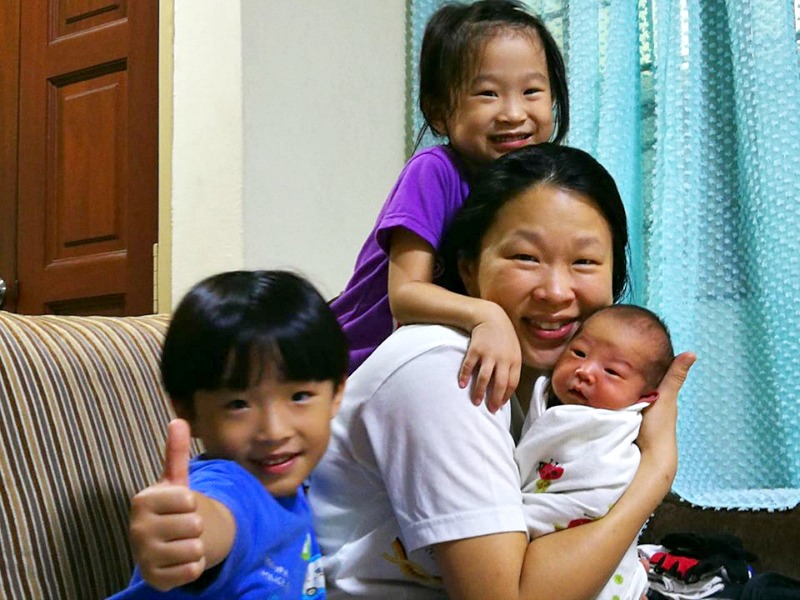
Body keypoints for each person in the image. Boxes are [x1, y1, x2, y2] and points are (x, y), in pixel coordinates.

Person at [309, 144, 696, 599]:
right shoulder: (445, 370)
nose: (556, 291)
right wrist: (657, 471)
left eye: (585, 262)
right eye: (526, 258)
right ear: (469, 270)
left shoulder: (541, 387)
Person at [331, 0, 569, 410]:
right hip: (349, 367)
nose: (513, 113)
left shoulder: (530, 188)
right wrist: (486, 315)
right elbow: (405, 295)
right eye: (487, 94)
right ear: (439, 111)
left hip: (423, 371)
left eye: (531, 91)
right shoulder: (434, 171)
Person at [109, 270, 348, 599]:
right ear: (188, 412)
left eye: (299, 396)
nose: (274, 431)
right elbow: (221, 518)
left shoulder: (293, 489)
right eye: (238, 404)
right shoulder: (230, 486)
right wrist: (188, 534)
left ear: (337, 393)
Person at [516, 304, 675, 600]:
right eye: (578, 352)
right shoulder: (547, 399)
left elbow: (593, 498)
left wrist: (515, 524)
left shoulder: (611, 436)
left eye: (612, 372)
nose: (584, 371)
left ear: (645, 398)